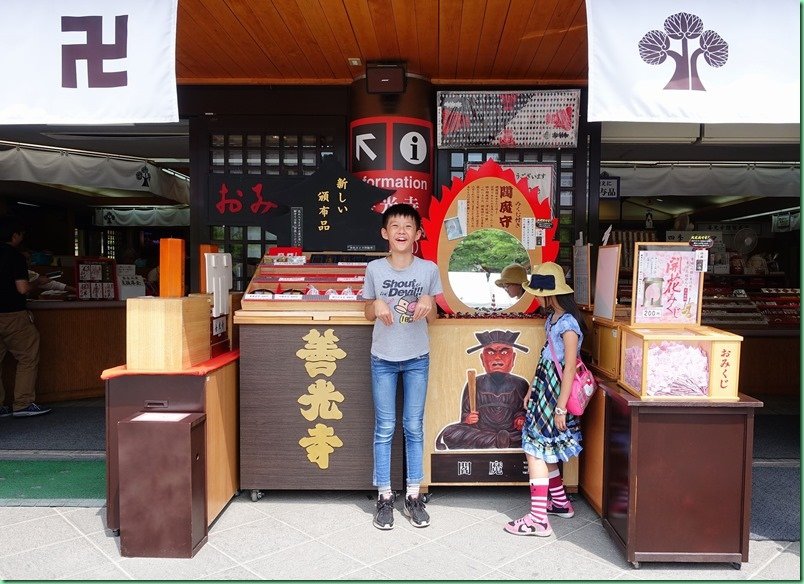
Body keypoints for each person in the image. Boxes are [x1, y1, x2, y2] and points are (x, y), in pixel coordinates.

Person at [363, 203, 442, 530]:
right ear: (385, 233)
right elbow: (367, 312)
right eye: (395, 226)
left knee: (413, 426)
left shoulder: (428, 269)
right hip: (382, 357)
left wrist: (429, 302)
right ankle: (384, 496)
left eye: (408, 227)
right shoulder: (374, 269)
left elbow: (435, 316)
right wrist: (375, 304)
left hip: (416, 357)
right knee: (385, 428)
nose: (401, 231)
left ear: (417, 234)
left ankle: (413, 495)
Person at [504, 261, 583, 537]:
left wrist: (561, 407)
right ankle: (560, 502)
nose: (536, 296)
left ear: (551, 293)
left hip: (555, 395)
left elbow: (570, 367)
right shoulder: (553, 319)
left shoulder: (569, 324)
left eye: (539, 292)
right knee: (544, 447)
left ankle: (538, 518)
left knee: (536, 449)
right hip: (544, 389)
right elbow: (546, 357)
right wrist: (531, 390)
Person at [435, 330, 530, 449]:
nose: (497, 358)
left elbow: (524, 410)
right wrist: (468, 419)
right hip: (481, 432)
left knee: (532, 431)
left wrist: (520, 418)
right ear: (482, 359)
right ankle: (497, 441)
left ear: (513, 358)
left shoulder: (520, 383)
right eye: (490, 352)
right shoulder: (474, 383)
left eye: (504, 352)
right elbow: (465, 415)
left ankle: (499, 441)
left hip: (511, 432)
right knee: (451, 432)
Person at [0, 218, 51, 418]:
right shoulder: (15, 256)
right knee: (28, 356)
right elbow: (22, 288)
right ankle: (22, 403)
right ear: (14, 235)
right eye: (21, 234)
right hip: (12, 314)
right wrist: (38, 282)